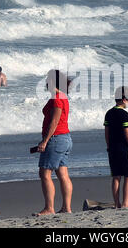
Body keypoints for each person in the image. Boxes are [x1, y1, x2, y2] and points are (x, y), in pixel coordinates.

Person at [35, 69, 73, 215]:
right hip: (65, 138)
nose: (46, 82)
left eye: (48, 80)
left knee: (44, 173)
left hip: (56, 138)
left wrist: (45, 141)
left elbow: (54, 121)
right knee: (62, 173)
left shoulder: (57, 98)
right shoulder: (63, 96)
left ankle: (49, 208)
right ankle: (66, 208)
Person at [104, 86, 128, 208]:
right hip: (124, 149)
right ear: (124, 99)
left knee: (116, 177)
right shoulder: (125, 115)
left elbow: (106, 132)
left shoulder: (109, 113)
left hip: (112, 148)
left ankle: (117, 203)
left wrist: (108, 146)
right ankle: (125, 202)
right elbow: (127, 134)